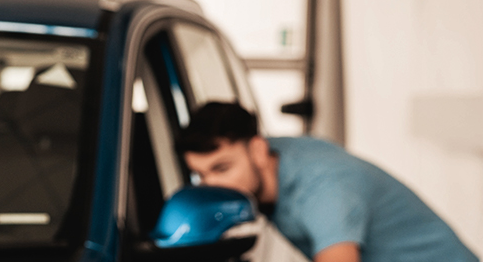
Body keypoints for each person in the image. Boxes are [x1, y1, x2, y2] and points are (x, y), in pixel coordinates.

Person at [180, 102, 478, 262]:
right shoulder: (268, 159)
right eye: (200, 175)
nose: (211, 186)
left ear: (258, 149)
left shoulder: (324, 188)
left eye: (222, 168)